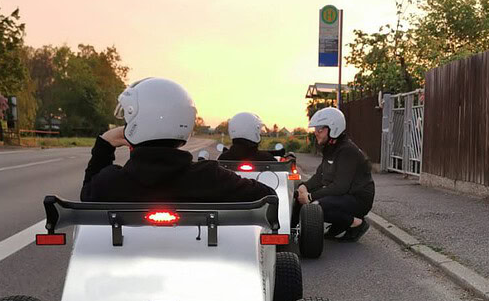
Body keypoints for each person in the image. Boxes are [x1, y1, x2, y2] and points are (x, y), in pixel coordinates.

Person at [81, 78, 274, 203]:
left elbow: (87, 193)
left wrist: (104, 145)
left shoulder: (110, 183)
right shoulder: (210, 177)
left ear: (134, 122)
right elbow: (268, 197)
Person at [296, 107, 375, 242]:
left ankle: (357, 224)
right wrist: (303, 187)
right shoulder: (331, 148)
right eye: (316, 129)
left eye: (320, 129)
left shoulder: (347, 151)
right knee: (299, 196)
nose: (316, 132)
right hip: (345, 196)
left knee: (315, 206)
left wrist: (310, 196)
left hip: (358, 199)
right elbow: (320, 176)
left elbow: (340, 187)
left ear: (333, 128)